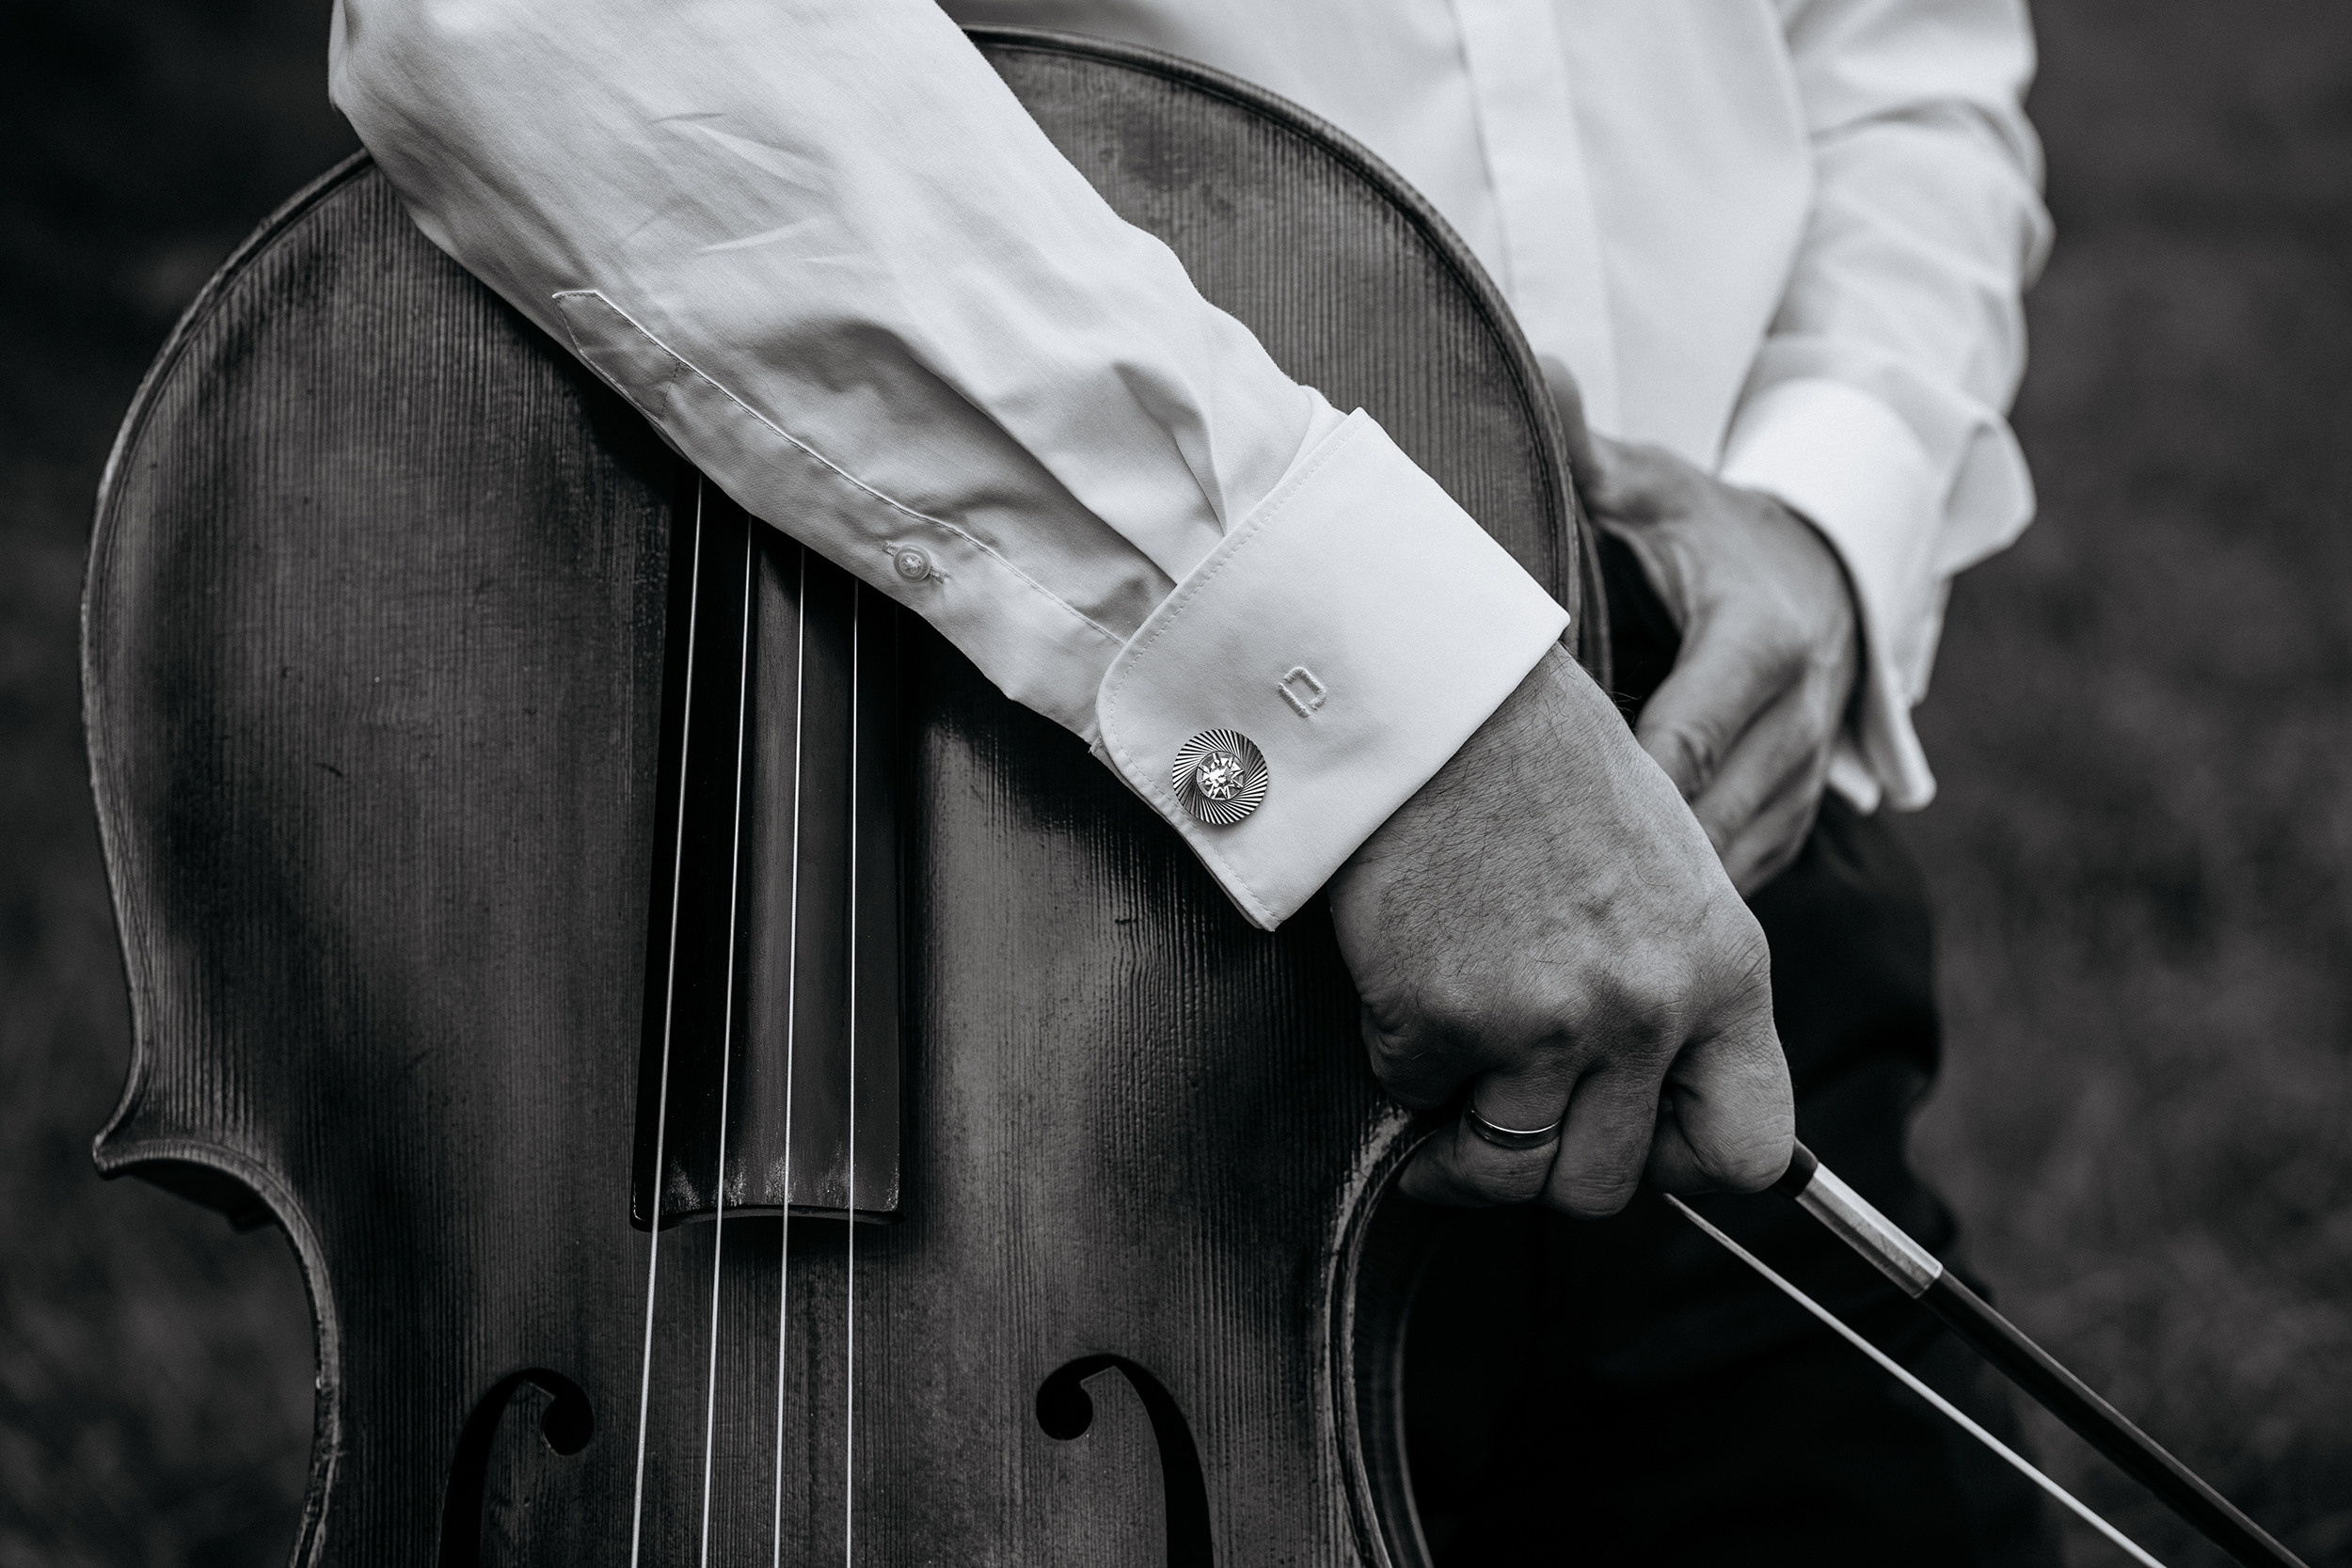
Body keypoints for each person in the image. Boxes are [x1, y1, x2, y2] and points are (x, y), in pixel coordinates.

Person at [327, 1, 2053, 1560]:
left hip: (1700, 876)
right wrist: (1381, 694)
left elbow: (1900, 51)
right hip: (977, 924)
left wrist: (1837, 492)